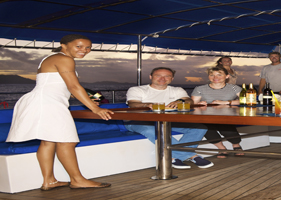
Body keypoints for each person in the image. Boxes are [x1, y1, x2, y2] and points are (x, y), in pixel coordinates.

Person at [6, 34, 114, 190]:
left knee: (48, 141)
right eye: (79, 46)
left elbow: (58, 86)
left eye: (88, 47)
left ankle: (49, 181)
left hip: (42, 101)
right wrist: (95, 108)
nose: (85, 50)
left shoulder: (52, 58)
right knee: (67, 141)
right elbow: (74, 87)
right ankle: (77, 180)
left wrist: (88, 100)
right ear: (64, 45)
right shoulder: (64, 59)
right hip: (48, 104)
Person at [125, 67, 213, 169]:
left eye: (167, 76)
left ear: (172, 78)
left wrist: (180, 101)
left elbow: (189, 101)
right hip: (138, 121)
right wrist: (148, 104)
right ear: (150, 77)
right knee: (155, 129)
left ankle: (175, 156)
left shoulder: (177, 90)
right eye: (158, 75)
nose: (163, 78)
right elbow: (133, 104)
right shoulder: (137, 89)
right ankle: (191, 155)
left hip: (169, 120)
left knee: (199, 127)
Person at [191, 67, 244, 158]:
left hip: (227, 115)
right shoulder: (200, 89)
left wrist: (226, 102)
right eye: (212, 75)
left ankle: (236, 145)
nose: (215, 77)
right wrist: (199, 104)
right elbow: (193, 104)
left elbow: (247, 101)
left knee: (227, 129)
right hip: (207, 117)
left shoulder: (235, 88)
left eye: (219, 74)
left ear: (227, 76)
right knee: (205, 128)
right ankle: (221, 148)